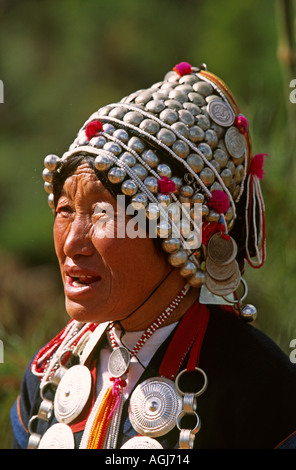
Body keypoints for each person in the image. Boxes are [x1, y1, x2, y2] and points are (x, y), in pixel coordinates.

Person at [10, 61, 296, 450]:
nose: (72, 242)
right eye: (64, 210)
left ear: (176, 232)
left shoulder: (258, 384)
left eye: (102, 214)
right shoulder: (48, 375)